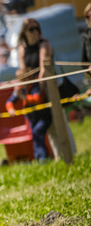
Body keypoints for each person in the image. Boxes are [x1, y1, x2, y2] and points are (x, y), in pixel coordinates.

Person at [18, 18, 76, 160]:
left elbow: (44, 66)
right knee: (49, 127)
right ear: (24, 32)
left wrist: (40, 87)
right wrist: (23, 84)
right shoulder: (22, 49)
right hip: (34, 89)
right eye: (31, 29)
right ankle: (58, 157)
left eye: (37, 28)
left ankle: (72, 154)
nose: (35, 32)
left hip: (49, 86)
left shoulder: (44, 44)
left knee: (59, 121)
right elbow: (22, 70)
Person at [6, 70, 52, 161]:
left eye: (23, 79)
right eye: (19, 79)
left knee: (37, 133)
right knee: (35, 135)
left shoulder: (35, 85)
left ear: (28, 78)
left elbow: (37, 99)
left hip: (43, 115)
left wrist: (23, 97)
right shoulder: (20, 88)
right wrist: (11, 109)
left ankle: (43, 158)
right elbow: (9, 102)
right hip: (31, 117)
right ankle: (39, 157)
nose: (21, 81)